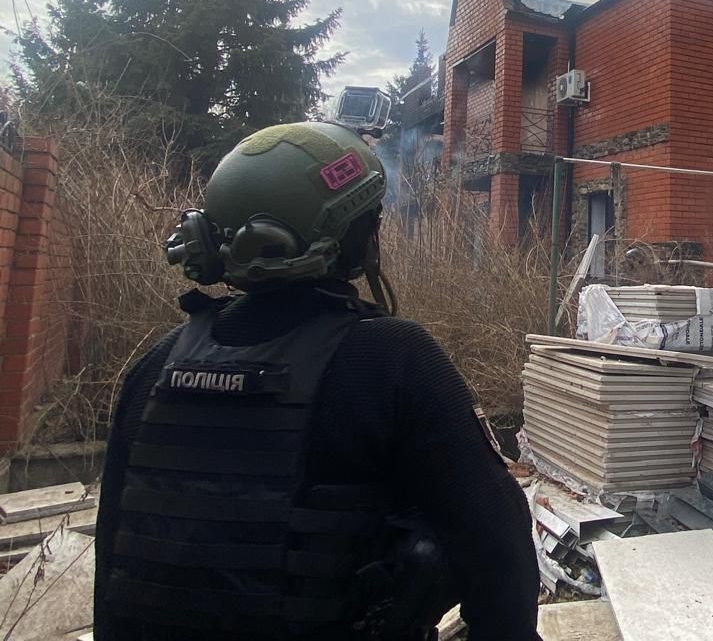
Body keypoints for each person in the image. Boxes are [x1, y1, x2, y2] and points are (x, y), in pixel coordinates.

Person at [94, 121, 542, 641]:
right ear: (348, 239)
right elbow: (496, 545)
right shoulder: (392, 358)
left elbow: (115, 564)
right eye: (369, 221)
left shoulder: (155, 366)